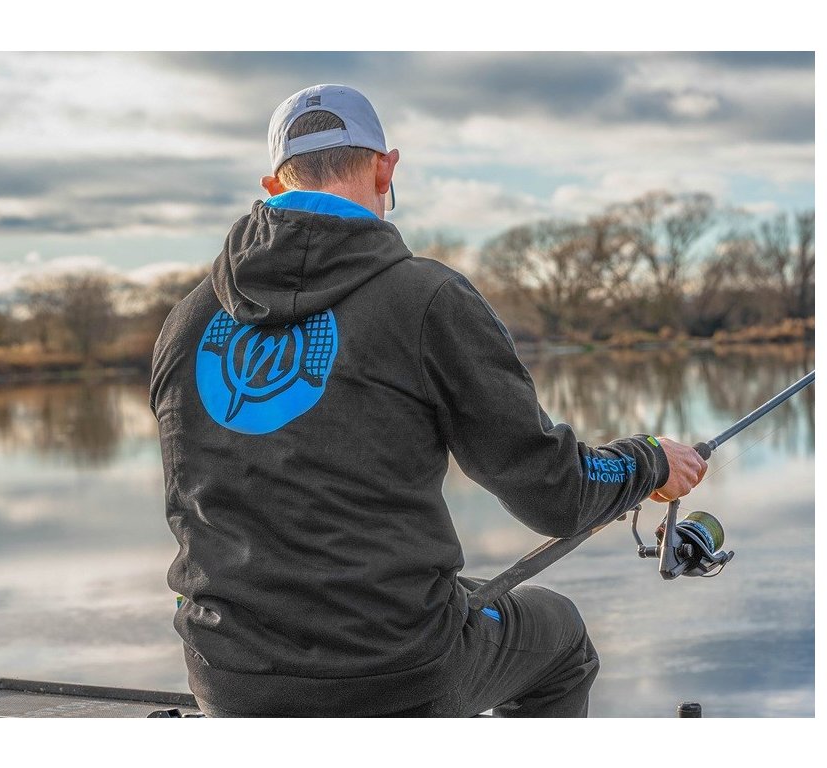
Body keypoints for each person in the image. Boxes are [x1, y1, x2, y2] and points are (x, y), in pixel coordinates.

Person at [149, 83, 708, 717]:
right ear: (385, 168)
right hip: (393, 672)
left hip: (226, 675)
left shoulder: (186, 321)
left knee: (454, 596)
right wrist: (650, 461)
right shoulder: (426, 300)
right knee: (562, 640)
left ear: (274, 185)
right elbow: (556, 496)